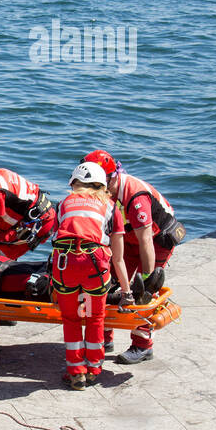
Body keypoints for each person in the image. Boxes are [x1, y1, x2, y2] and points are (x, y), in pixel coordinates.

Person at [83, 150, 182, 364]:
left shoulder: (135, 196)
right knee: (107, 283)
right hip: (129, 238)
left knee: (143, 293)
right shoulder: (106, 192)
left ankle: (143, 345)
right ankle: (103, 337)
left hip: (156, 242)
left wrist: (147, 278)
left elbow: (146, 240)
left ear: (110, 178)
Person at [50, 163, 130, 389]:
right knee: (95, 317)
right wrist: (126, 291)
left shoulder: (63, 204)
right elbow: (118, 258)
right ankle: (94, 369)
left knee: (71, 319)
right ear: (103, 185)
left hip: (65, 266)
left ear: (74, 184)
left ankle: (76, 372)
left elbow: (56, 239)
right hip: (94, 266)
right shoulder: (111, 207)